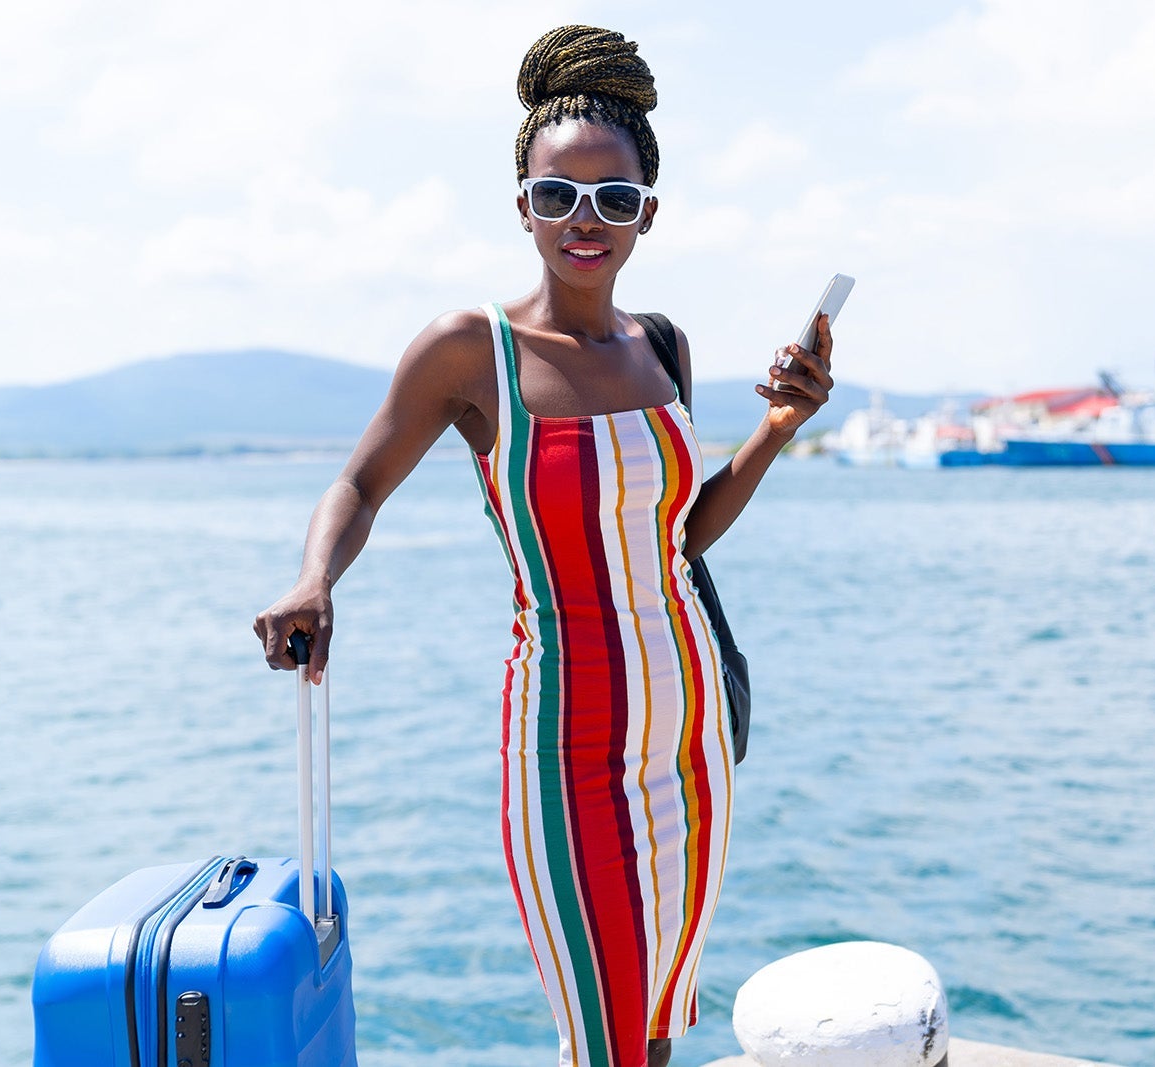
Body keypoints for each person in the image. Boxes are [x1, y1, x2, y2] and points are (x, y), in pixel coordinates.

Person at [253, 24, 835, 1067]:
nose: (583, 219)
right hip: (563, 741)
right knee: (604, 1032)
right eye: (557, 194)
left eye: (613, 198)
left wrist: (779, 427)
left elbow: (680, 539)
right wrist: (313, 577)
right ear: (522, 205)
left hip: (690, 729)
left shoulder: (661, 345)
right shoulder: (469, 349)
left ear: (647, 212)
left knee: (653, 1021)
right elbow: (358, 483)